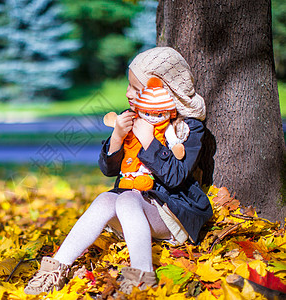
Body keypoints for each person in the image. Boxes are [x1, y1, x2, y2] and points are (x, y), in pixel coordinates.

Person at [24, 47, 214, 295]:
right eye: (129, 85)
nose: (127, 93)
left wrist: (149, 142)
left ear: (162, 90)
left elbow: (177, 177)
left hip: (171, 213)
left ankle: (141, 277)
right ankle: (55, 268)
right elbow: (109, 170)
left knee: (125, 198)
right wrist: (117, 138)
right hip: (134, 210)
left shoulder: (188, 128)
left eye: (136, 88)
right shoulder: (133, 117)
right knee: (105, 198)